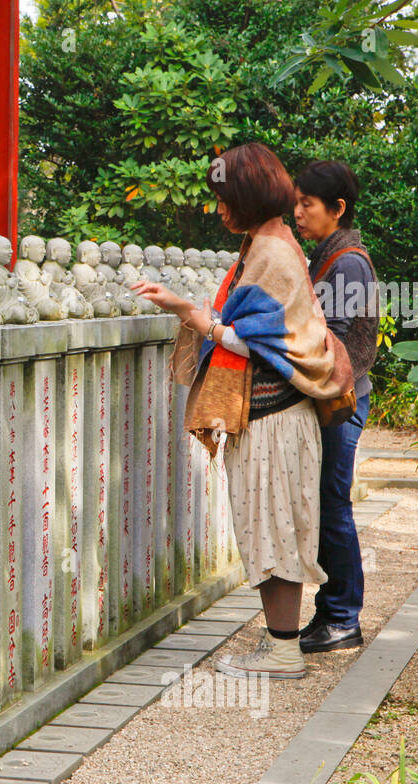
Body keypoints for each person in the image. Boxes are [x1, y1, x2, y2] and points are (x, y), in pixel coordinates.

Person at [132, 143, 353, 679]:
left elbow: (256, 340)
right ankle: (280, 643)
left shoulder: (272, 253)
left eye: (226, 199)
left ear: (248, 196)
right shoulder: (268, 243)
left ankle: (282, 651)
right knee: (271, 527)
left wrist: (188, 311)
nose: (221, 209)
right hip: (274, 417)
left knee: (274, 530)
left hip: (275, 417)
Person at [293, 161, 379, 653]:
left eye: (308, 204)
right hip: (333, 399)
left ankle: (344, 616)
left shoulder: (345, 261)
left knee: (333, 504)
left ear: (337, 208)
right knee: (326, 504)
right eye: (298, 202)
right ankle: (332, 611)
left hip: (341, 403)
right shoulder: (328, 255)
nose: (298, 212)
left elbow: (338, 343)